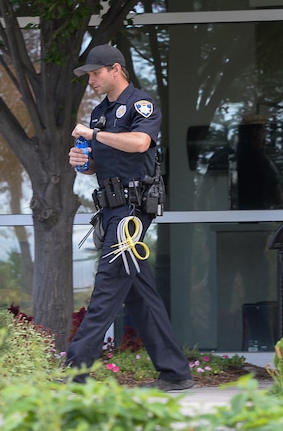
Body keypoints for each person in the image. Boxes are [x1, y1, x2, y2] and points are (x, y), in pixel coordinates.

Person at [66, 44, 194, 391]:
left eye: (96, 72)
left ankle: (74, 372)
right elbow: (99, 162)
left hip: (133, 211)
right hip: (110, 210)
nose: (91, 79)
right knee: (139, 295)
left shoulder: (141, 104)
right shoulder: (99, 113)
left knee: (106, 289)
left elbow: (140, 143)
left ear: (116, 69)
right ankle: (175, 372)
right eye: (89, 74)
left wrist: (93, 136)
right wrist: (84, 162)